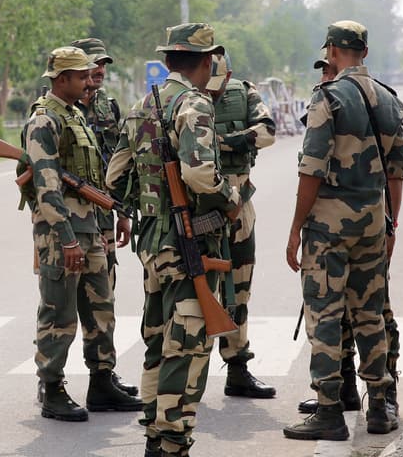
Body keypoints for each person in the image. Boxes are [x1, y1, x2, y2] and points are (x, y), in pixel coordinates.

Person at [106, 24, 240, 457]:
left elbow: (114, 179)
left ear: (167, 61)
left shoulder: (140, 106)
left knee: (157, 339)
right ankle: (172, 440)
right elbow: (200, 175)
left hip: (152, 242)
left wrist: (152, 205)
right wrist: (231, 197)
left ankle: (154, 432)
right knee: (187, 344)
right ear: (207, 61)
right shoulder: (194, 104)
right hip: (189, 242)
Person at [284, 21, 403, 441]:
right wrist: (390, 224)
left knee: (325, 314)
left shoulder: (329, 97)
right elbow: (396, 171)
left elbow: (311, 169)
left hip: (329, 227)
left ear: (333, 51)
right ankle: (380, 406)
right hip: (372, 222)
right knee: (370, 312)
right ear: (364, 52)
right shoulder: (389, 100)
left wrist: (296, 228)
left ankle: (329, 410)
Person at [23, 46, 140, 422]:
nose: (89, 80)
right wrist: (66, 237)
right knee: (59, 312)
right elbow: (46, 185)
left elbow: (93, 177)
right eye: (81, 75)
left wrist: (108, 220)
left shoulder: (75, 115)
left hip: (90, 227)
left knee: (101, 308)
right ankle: (52, 388)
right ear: (62, 79)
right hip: (63, 233)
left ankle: (102, 381)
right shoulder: (44, 119)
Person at [205, 52, 278, 400]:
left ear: (228, 74)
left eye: (217, 84)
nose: (211, 91)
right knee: (198, 292)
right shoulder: (186, 99)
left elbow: (267, 132)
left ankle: (237, 367)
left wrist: (225, 141)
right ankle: (188, 374)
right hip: (201, 207)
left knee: (239, 290)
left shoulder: (244, 93)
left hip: (239, 208)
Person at [69, 37, 137, 403]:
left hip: (103, 216)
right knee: (61, 300)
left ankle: (103, 374)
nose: (99, 72)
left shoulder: (108, 107)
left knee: (103, 296)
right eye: (93, 65)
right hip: (67, 219)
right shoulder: (55, 106)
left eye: (103, 65)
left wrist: (123, 212)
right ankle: (51, 380)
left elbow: (120, 162)